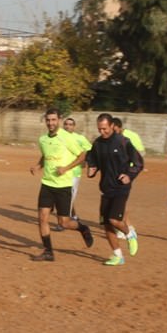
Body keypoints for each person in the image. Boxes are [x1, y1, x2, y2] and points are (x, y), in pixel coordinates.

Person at [29, 110, 94, 262]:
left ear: (59, 120)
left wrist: (66, 168)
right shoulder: (43, 139)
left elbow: (83, 155)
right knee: (42, 217)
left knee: (63, 222)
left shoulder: (67, 138)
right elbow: (46, 155)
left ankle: (83, 228)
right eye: (48, 120)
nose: (50, 123)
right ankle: (48, 252)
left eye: (53, 120)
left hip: (63, 185)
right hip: (47, 184)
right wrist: (38, 166)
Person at [86, 113, 143, 266]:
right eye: (99, 129)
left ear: (112, 126)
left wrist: (129, 175)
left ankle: (130, 234)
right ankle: (118, 256)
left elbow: (138, 162)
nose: (102, 132)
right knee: (106, 224)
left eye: (104, 128)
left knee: (114, 219)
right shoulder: (97, 144)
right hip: (106, 187)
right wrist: (92, 169)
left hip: (121, 187)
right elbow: (92, 160)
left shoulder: (123, 142)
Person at [112, 117, 145, 239]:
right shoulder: (112, 138)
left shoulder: (131, 137)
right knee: (119, 200)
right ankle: (127, 226)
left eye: (115, 130)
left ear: (120, 128)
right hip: (116, 172)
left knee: (120, 200)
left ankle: (128, 228)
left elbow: (141, 153)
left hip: (127, 173)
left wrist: (131, 170)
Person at [62, 117, 93, 222]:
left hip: (74, 172)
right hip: (61, 172)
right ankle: (73, 216)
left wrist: (86, 161)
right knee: (65, 196)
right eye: (66, 124)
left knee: (69, 196)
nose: (68, 126)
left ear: (74, 127)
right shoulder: (59, 137)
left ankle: (64, 221)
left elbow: (91, 150)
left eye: (70, 124)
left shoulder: (80, 138)